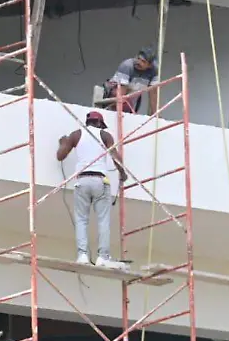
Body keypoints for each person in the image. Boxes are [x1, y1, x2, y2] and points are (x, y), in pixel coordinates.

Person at [56, 111, 127, 268]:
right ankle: (103, 257)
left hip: (82, 180)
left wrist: (63, 142)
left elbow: (60, 156)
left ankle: (82, 256)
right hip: (100, 180)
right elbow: (115, 157)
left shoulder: (76, 135)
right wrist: (123, 174)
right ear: (100, 123)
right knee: (103, 220)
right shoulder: (105, 136)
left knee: (81, 220)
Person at [103, 47, 159, 114]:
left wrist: (155, 113)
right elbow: (120, 92)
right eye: (138, 58)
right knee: (123, 102)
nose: (138, 62)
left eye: (143, 61)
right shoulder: (127, 65)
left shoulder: (154, 71)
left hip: (131, 101)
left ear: (149, 65)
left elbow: (153, 92)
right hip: (114, 98)